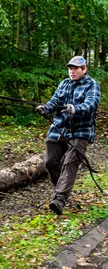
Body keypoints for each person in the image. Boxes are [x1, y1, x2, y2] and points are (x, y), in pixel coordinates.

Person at [36, 56, 101, 215]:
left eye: (76, 68)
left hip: (81, 131)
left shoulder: (92, 85)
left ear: (84, 69)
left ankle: (59, 200)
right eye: (70, 68)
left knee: (70, 163)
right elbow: (54, 101)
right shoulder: (64, 83)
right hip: (59, 129)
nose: (72, 71)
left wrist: (75, 109)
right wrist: (46, 108)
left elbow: (91, 105)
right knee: (50, 162)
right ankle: (62, 191)